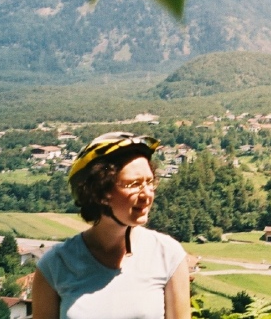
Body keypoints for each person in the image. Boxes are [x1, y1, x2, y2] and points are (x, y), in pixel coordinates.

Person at [32, 132, 190, 319]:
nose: (147, 194)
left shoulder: (168, 255)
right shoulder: (55, 265)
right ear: (99, 193)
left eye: (150, 182)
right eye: (134, 184)